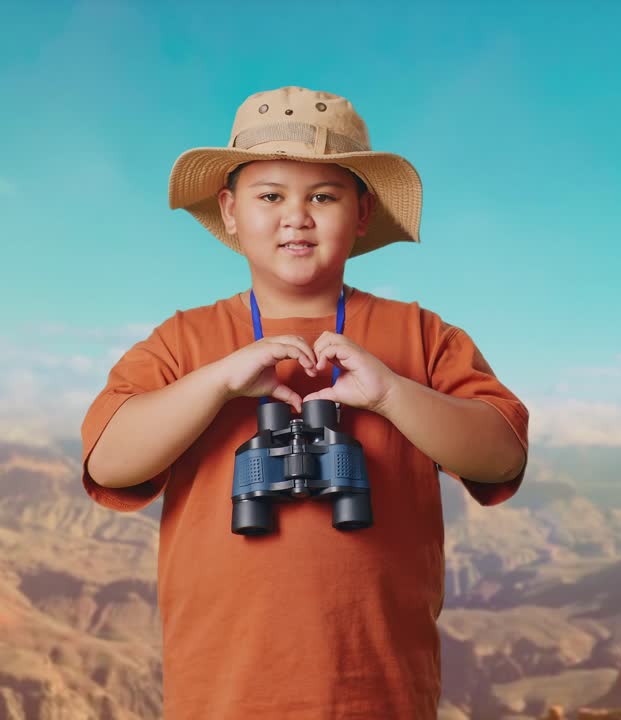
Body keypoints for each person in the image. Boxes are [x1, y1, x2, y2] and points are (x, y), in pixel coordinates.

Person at [80, 86, 529, 719]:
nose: (297, 216)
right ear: (230, 211)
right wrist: (216, 383)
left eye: (323, 196)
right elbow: (108, 462)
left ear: (363, 212)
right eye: (270, 196)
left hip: (379, 693)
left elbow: (502, 456)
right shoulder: (183, 342)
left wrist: (393, 395)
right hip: (223, 695)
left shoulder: (421, 336)